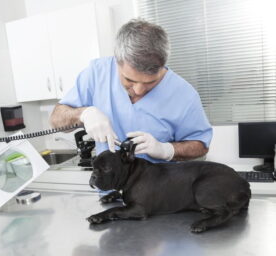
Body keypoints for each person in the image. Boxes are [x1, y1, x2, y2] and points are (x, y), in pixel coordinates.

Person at [50, 19, 212, 163]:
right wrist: (83, 114)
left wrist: (166, 150)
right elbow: (56, 120)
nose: (139, 90)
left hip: (160, 194)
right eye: (130, 80)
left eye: (151, 82)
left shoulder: (184, 94)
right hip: (111, 192)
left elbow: (200, 146)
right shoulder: (96, 74)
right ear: (117, 61)